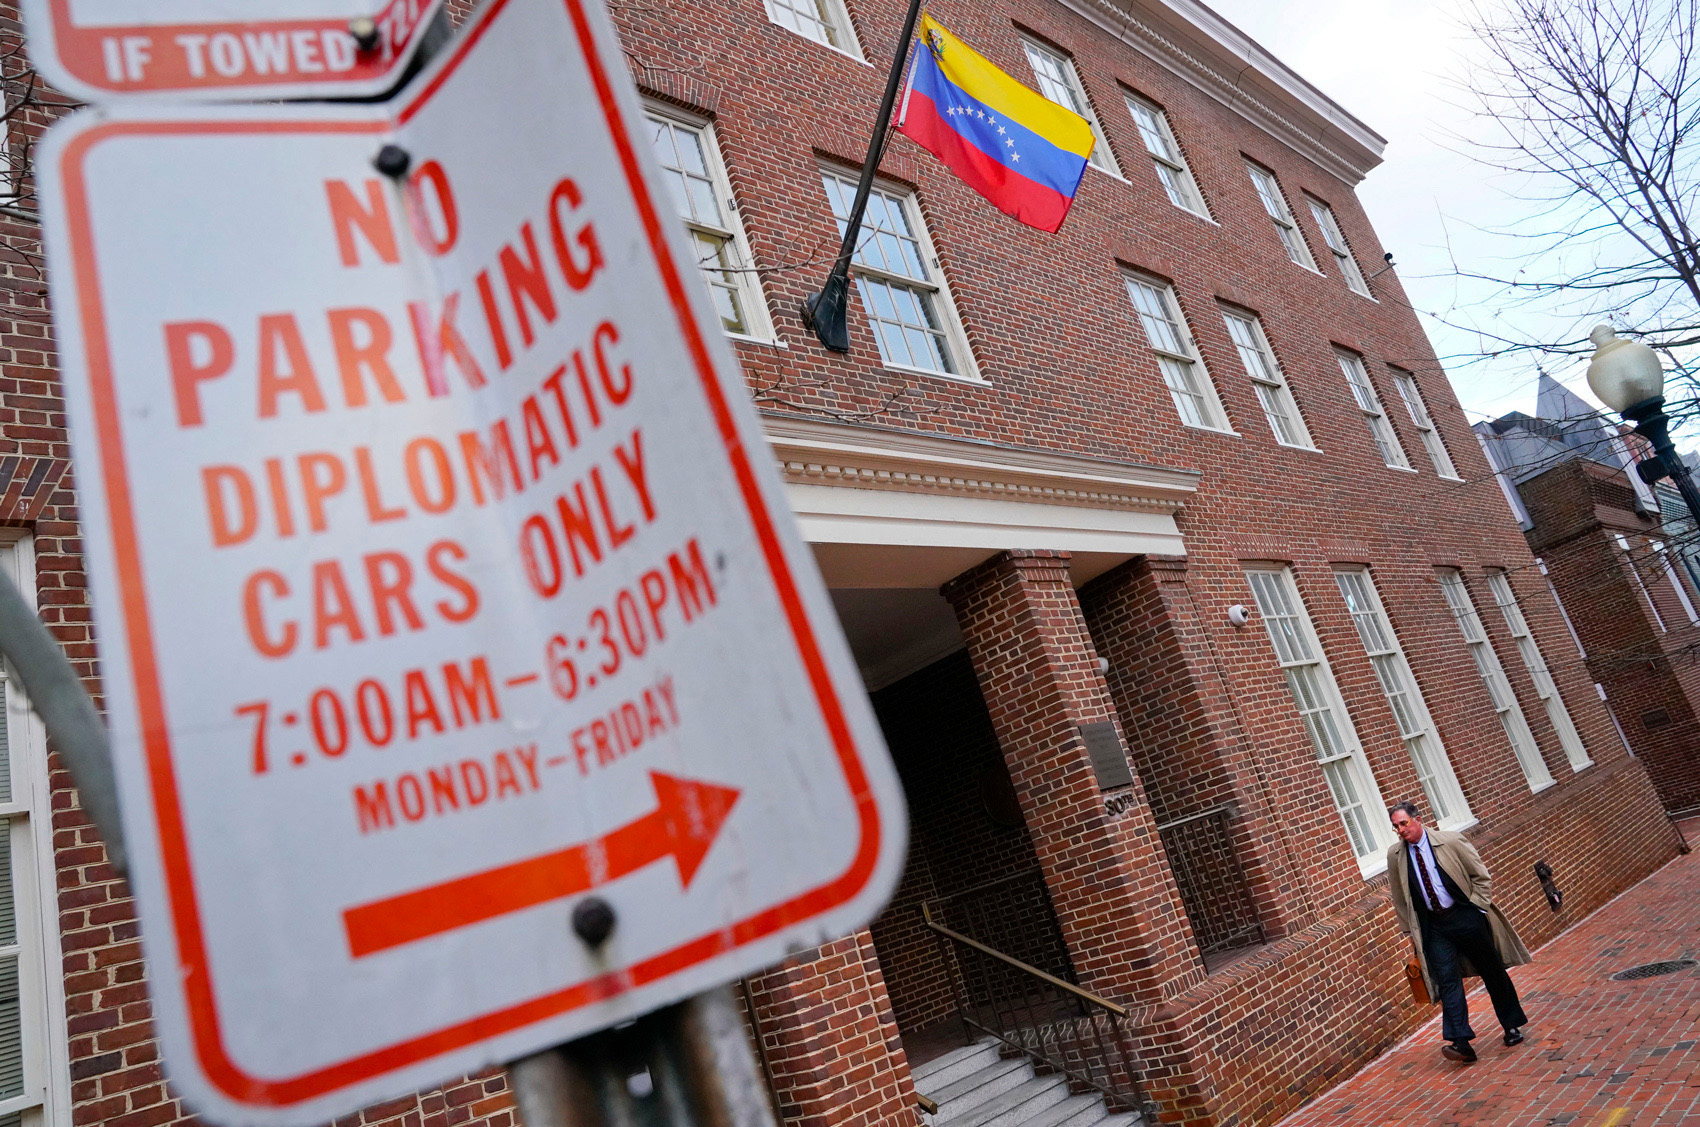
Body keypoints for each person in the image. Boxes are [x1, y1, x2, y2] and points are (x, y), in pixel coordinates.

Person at [1386, 801, 1531, 1063]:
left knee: (1492, 971)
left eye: (1403, 823)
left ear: (1418, 819)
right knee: (1447, 980)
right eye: (1396, 826)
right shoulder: (1396, 855)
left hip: (1465, 916)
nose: (1400, 830)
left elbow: (1480, 876)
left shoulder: (1450, 841)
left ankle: (1511, 1025)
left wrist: (1477, 909)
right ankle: (1460, 1042)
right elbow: (1399, 896)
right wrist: (1411, 932)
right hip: (1435, 926)